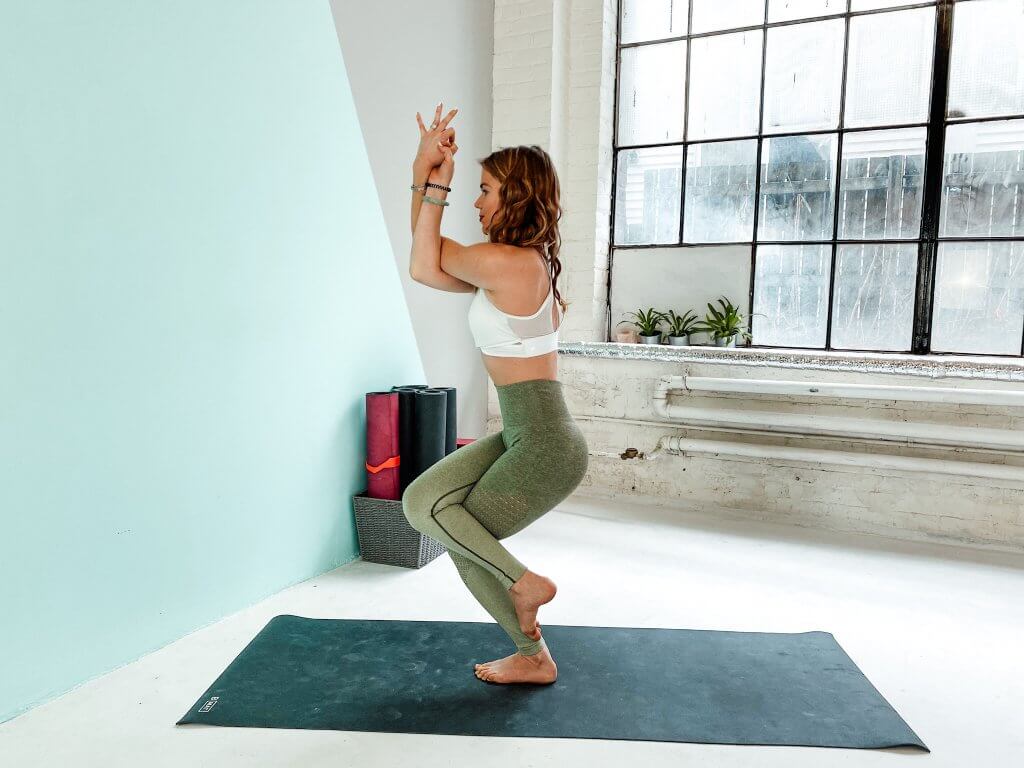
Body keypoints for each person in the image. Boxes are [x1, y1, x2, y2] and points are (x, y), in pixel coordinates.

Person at [402, 102, 589, 684]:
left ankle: (528, 621)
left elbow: (423, 260)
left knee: (451, 526)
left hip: (545, 444)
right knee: (431, 509)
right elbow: (427, 262)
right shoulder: (512, 265)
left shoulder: (511, 263)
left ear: (517, 196)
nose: (476, 202)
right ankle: (530, 638)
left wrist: (433, 181)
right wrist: (425, 174)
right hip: (526, 433)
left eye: (485, 190)